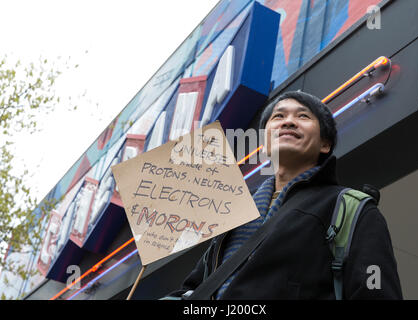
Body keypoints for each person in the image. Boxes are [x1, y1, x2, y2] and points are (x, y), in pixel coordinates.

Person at [166, 90, 403, 300]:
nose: (288, 122)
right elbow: (196, 288)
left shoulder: (352, 208)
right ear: (265, 143)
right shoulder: (235, 212)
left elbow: (376, 289)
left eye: (303, 116)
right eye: (278, 116)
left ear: (325, 145)